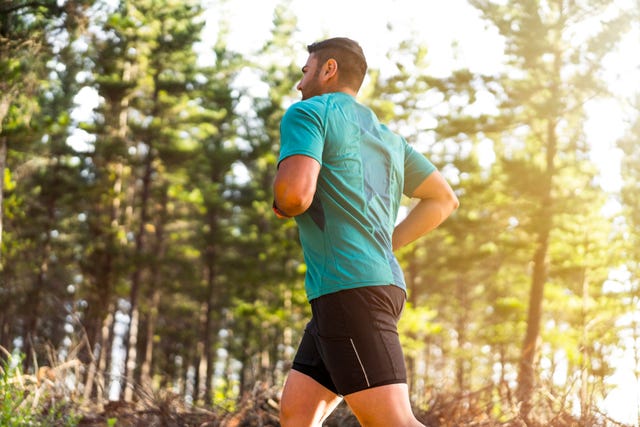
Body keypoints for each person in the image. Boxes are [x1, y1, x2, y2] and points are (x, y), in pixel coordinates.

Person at [272, 37, 459, 427]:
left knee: (395, 422)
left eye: (305, 72)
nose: (299, 84)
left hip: (349, 291)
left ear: (328, 69)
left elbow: (293, 196)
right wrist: (384, 245)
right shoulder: (387, 137)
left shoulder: (308, 114)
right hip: (363, 287)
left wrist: (282, 201)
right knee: (297, 414)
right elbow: (443, 199)